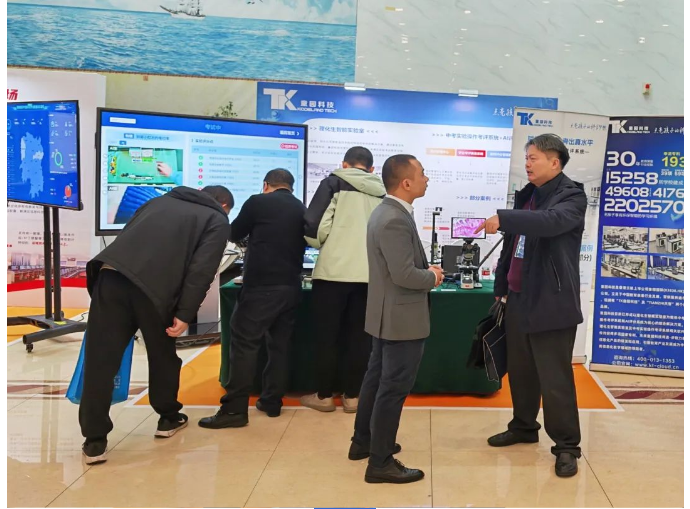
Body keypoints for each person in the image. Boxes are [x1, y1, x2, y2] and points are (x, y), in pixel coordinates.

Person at [80, 185, 233, 465]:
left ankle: (94, 441)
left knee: (100, 360)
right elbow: (201, 270)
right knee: (162, 355)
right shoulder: (217, 219)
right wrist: (185, 313)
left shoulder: (156, 201)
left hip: (110, 278)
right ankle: (168, 417)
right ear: (224, 206)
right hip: (155, 291)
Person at [475, 133, 586, 478]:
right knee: (521, 372)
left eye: (533, 157)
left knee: (555, 379)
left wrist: (504, 217)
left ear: (555, 162)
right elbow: (513, 248)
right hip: (518, 298)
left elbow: (550, 223)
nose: (527, 163)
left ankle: (566, 446)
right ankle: (523, 427)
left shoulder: (571, 196)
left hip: (551, 302)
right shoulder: (527, 196)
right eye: (526, 157)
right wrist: (501, 287)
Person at [349, 154, 443, 484]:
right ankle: (380, 462)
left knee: (376, 380)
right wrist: (433, 276)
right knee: (392, 388)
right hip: (400, 319)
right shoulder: (394, 219)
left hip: (386, 315)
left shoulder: (388, 212)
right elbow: (404, 275)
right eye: (422, 174)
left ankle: (364, 441)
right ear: (406, 182)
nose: (426, 179)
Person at [199, 169, 306, 429]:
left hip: (261, 286)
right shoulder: (300, 207)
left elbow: (234, 233)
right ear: (291, 186)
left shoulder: (257, 202)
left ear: (266, 185)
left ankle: (234, 410)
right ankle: (272, 401)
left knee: (244, 345)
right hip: (291, 286)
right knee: (279, 346)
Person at [300, 146, 386, 413]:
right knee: (359, 338)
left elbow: (314, 227)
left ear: (344, 164)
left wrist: (323, 242)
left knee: (327, 337)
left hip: (332, 274)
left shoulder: (333, 183)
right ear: (372, 169)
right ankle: (353, 397)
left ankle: (325, 396)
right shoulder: (383, 192)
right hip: (369, 276)